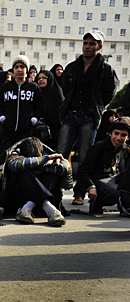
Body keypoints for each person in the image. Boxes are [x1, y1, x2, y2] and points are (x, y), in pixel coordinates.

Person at [57, 31, 119, 177]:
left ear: (99, 46)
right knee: (60, 155)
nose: (87, 46)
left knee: (86, 156)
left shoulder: (106, 69)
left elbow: (110, 92)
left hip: (89, 117)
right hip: (70, 115)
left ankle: (80, 193)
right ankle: (55, 190)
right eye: (85, 43)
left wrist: (98, 106)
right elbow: (66, 88)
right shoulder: (72, 67)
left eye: (92, 44)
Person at [3, 137, 71, 226]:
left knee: (52, 174)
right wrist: (47, 159)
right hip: (19, 199)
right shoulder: (14, 153)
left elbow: (63, 167)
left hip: (42, 200)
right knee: (22, 171)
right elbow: (15, 165)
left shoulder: (49, 153)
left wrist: (34, 162)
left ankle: (28, 206)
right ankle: (48, 208)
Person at [71, 118, 130, 215]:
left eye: (123, 135)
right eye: (116, 133)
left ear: (128, 137)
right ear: (110, 133)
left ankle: (125, 206)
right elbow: (83, 171)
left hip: (113, 177)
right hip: (98, 179)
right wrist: (91, 187)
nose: (119, 138)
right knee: (117, 194)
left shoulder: (123, 148)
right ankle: (97, 202)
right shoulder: (98, 147)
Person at [0, 55, 43, 155]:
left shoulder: (33, 87)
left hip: (27, 132)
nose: (19, 69)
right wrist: (3, 119)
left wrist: (33, 120)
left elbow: (39, 106)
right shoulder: (6, 87)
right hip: (8, 132)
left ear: (27, 69)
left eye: (22, 66)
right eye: (16, 67)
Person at [37, 70, 64, 150]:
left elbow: (58, 110)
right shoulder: (38, 92)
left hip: (55, 128)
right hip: (41, 128)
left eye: (43, 78)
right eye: (39, 78)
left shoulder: (56, 92)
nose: (40, 80)